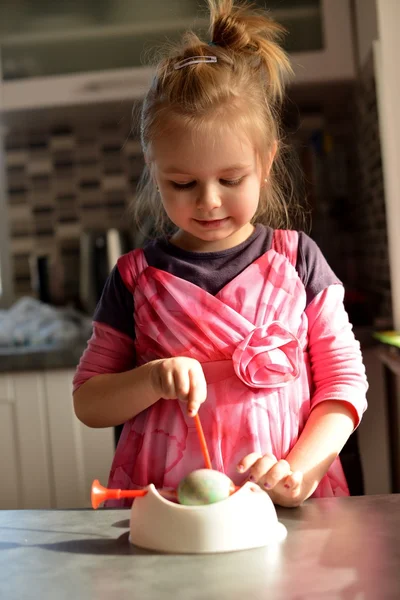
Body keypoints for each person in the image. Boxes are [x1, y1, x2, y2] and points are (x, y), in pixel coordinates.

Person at [73, 0, 368, 508]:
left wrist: (298, 472)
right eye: (182, 182)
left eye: (230, 180)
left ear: (267, 161)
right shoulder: (135, 279)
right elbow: (90, 403)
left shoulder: (298, 261)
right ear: (153, 165)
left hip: (281, 507)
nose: (208, 200)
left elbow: (344, 383)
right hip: (171, 513)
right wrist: (150, 380)